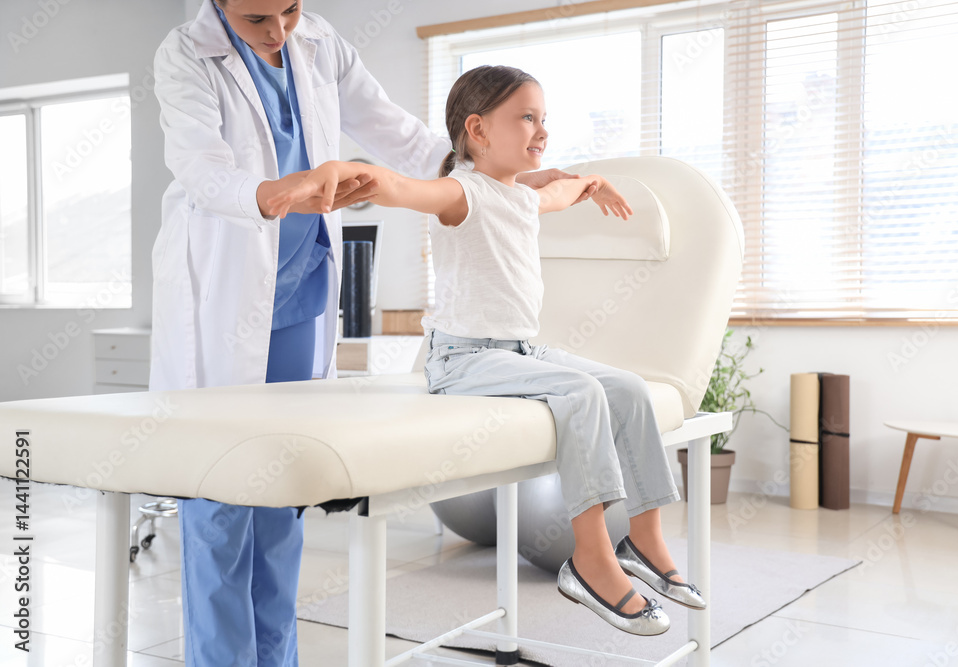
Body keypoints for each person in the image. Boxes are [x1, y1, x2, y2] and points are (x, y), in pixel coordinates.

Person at [150, 1, 593, 663]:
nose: (279, 32)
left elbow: (400, 134)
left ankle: (277, 657)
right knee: (218, 500)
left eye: (290, 10)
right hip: (223, 292)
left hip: (302, 293)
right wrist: (278, 192)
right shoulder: (185, 54)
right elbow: (200, 165)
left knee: (282, 492)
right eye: (255, 20)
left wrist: (504, 177)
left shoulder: (320, 42)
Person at [267, 64, 706, 637]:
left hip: (521, 349)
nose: (541, 131)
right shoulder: (461, 192)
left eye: (544, 119)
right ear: (477, 129)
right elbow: (398, 187)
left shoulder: (520, 197)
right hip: (463, 358)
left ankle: (643, 539)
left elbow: (559, 191)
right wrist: (337, 171)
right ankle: (590, 561)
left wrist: (591, 183)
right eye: (527, 118)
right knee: (581, 392)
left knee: (624, 386)